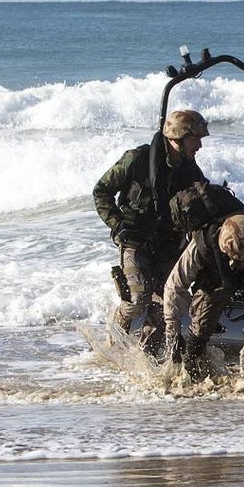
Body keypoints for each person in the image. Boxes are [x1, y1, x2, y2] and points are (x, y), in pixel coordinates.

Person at [93, 109, 209, 353]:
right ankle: (113, 339)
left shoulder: (189, 169)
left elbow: (204, 199)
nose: (199, 145)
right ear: (178, 138)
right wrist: (116, 224)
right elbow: (101, 191)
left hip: (168, 244)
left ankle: (145, 356)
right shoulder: (137, 160)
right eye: (195, 138)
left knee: (164, 304)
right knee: (137, 301)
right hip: (135, 241)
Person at [162, 209, 244, 378]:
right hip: (218, 279)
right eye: (242, 258)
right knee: (201, 325)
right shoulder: (201, 246)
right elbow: (174, 287)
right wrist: (173, 333)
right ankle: (192, 369)